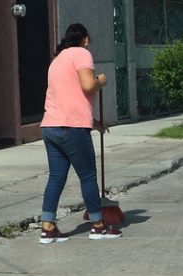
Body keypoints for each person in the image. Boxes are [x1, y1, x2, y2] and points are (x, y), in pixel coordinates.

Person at [38, 23, 123, 244]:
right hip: (72, 128)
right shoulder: (82, 53)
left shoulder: (57, 60)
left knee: (56, 177)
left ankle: (47, 228)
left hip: (50, 126)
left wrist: (92, 122)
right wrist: (101, 80)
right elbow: (88, 86)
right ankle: (98, 225)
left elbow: (66, 97)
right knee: (87, 176)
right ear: (85, 39)